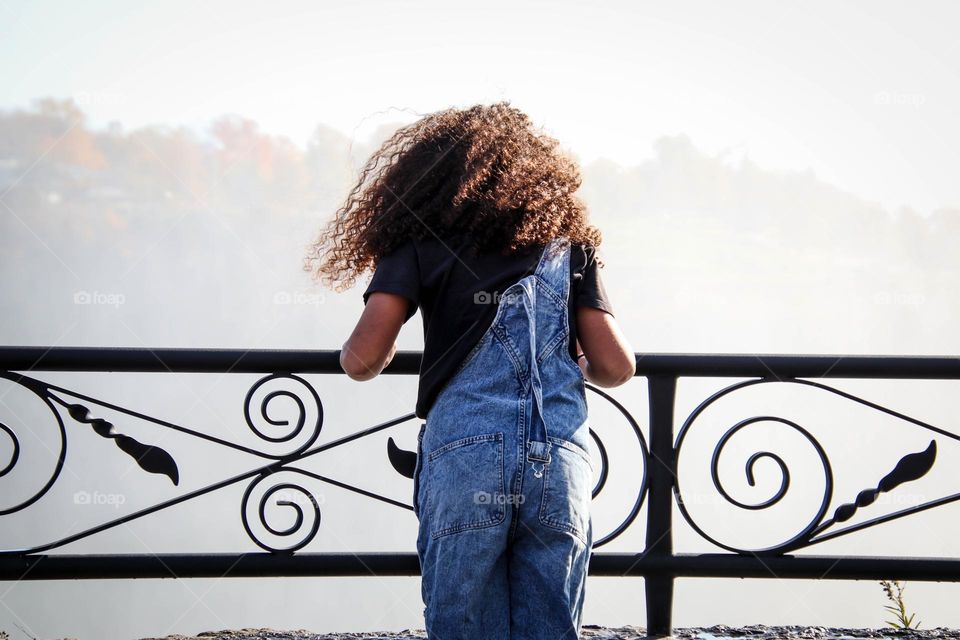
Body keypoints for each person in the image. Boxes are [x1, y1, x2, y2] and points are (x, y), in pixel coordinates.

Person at [304, 102, 635, 640]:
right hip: (559, 462)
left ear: (424, 180)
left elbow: (362, 360)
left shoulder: (417, 241)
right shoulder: (569, 246)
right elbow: (616, 367)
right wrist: (571, 358)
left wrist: (375, 349)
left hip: (466, 458)